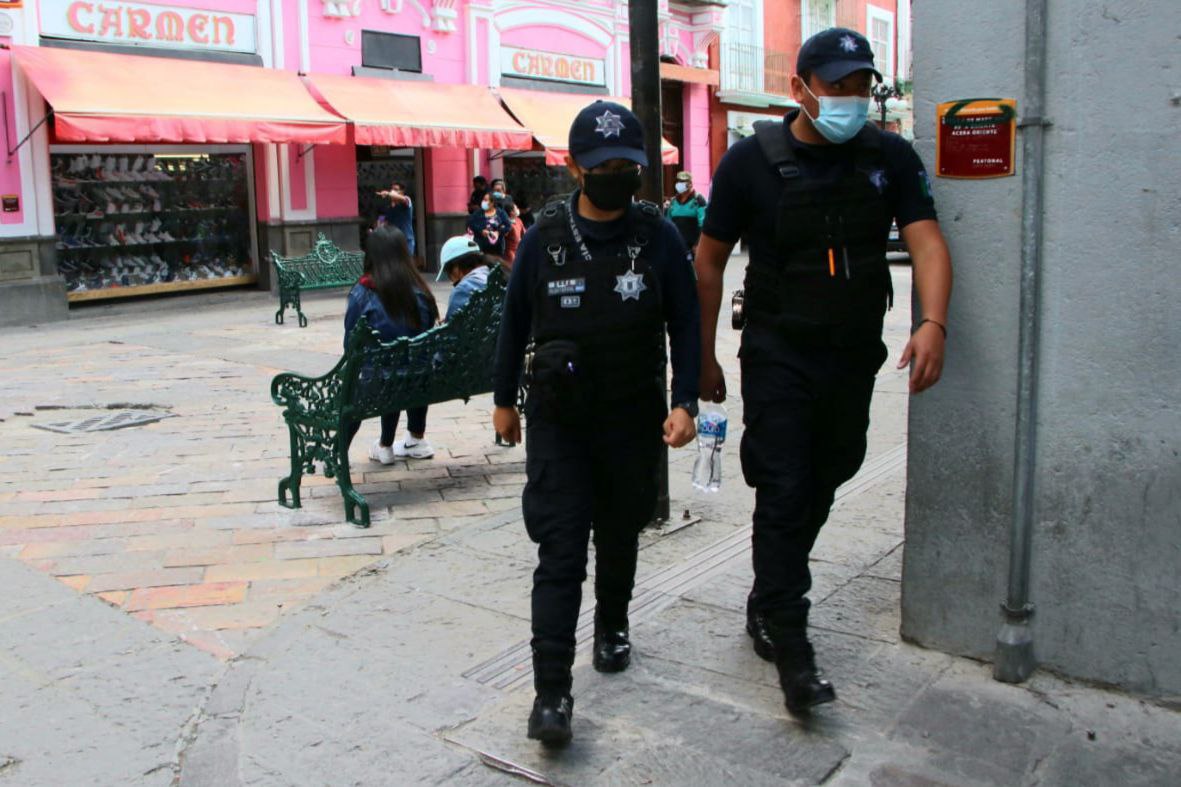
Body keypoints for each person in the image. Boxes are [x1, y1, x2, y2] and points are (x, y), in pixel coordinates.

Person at [695, 28, 952, 716]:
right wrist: (702, 353)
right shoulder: (749, 162)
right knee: (783, 485)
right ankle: (792, 644)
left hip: (851, 352)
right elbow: (708, 261)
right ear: (800, 89)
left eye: (860, 86)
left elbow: (926, 240)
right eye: (836, 86)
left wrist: (932, 322)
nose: (850, 99)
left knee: (832, 469)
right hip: (778, 350)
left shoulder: (889, 156)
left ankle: (766, 593)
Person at [492, 100, 701, 747]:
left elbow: (686, 321)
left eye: (627, 164)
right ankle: (551, 690)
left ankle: (612, 623)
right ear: (576, 169)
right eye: (604, 164)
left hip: (631, 419)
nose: (617, 173)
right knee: (559, 552)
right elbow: (512, 325)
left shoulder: (657, 235)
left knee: (617, 534)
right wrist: (503, 400)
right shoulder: (546, 238)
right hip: (559, 421)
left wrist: (685, 399)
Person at [343, 225, 440, 462]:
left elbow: (350, 346)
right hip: (420, 381)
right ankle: (412, 438)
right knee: (408, 366)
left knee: (380, 372)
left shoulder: (363, 293)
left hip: (379, 383)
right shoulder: (421, 292)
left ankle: (381, 446)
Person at [435, 235, 492, 320]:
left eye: (448, 273)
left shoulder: (463, 290)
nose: (452, 282)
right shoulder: (497, 276)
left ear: (456, 268)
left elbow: (453, 331)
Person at [664, 171, 707, 255]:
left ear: (690, 184)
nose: (680, 184)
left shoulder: (698, 200)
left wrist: (698, 244)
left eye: (683, 182)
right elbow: (667, 223)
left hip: (693, 247)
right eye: (679, 181)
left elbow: (703, 224)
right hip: (675, 245)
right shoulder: (673, 201)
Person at [467, 188, 512, 259]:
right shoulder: (478, 213)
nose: (483, 202)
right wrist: (481, 231)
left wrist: (498, 232)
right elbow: (470, 223)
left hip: (497, 248)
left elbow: (508, 226)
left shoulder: (500, 213)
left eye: (485, 200)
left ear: (492, 203)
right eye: (483, 200)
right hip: (481, 247)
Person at [376, 182, 416, 256]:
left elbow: (403, 200)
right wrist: (376, 229)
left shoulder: (406, 201)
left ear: (402, 192)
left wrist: (388, 193)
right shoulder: (388, 208)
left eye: (396, 189)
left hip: (405, 242)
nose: (393, 191)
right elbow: (381, 221)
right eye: (392, 189)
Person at [501, 198, 527, 266]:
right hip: (510, 254)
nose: (518, 209)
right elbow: (501, 237)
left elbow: (525, 234)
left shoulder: (518, 220)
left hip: (519, 251)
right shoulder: (506, 224)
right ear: (511, 212)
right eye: (516, 208)